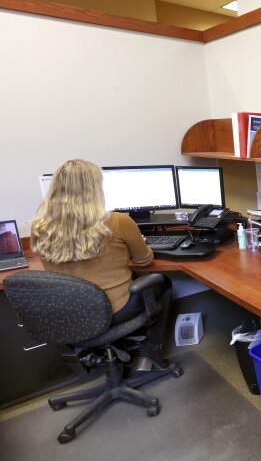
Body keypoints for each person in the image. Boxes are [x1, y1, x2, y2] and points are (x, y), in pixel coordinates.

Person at [30, 159, 172, 372]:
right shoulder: (117, 222)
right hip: (116, 310)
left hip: (69, 311)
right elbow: (144, 261)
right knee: (164, 284)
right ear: (95, 188)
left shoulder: (40, 228)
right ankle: (148, 354)